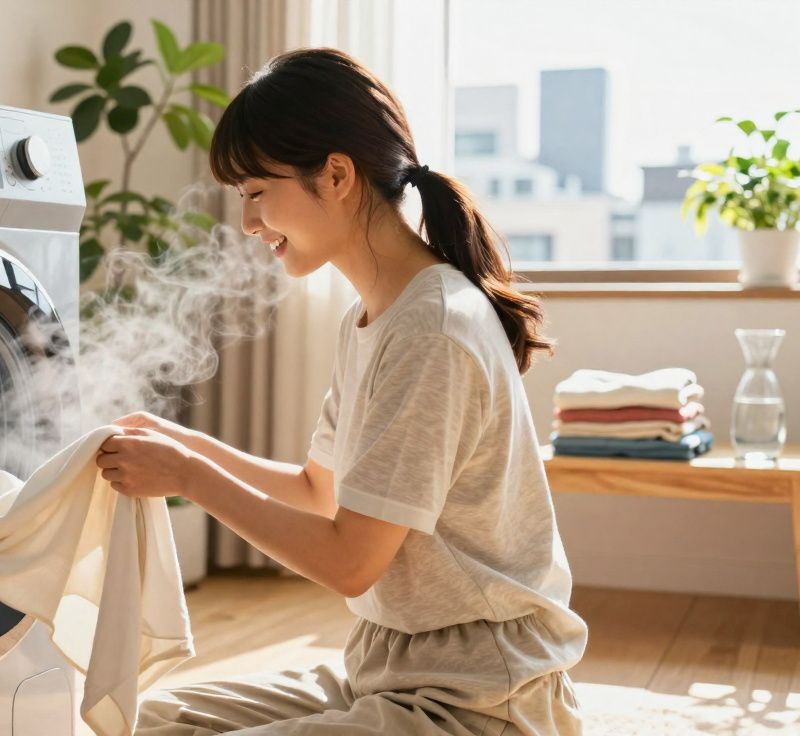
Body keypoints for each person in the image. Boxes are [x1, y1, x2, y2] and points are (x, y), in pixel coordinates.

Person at [94, 48, 588, 735]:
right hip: (385, 670)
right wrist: (180, 441)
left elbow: (351, 561)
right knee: (137, 723)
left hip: (480, 699)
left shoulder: (433, 328)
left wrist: (188, 476)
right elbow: (316, 491)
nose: (247, 224)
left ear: (335, 175)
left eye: (257, 193)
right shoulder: (371, 318)